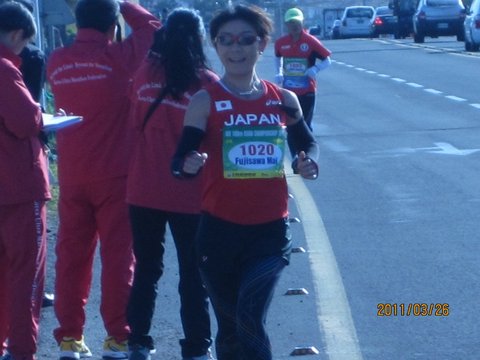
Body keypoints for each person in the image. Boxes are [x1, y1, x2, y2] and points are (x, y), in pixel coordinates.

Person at [171, 4, 319, 360]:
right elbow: (179, 160)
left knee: (249, 315)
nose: (236, 49)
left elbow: (306, 142)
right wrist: (189, 164)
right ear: (215, 47)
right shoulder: (205, 101)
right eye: (226, 41)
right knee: (230, 327)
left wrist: (308, 161)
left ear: (262, 44)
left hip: (269, 231)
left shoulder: (283, 99)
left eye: (245, 40)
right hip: (218, 231)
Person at [46, 0, 160, 359]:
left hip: (73, 175)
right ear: (114, 26)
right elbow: (153, 29)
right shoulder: (120, 57)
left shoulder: (57, 62)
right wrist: (125, 2)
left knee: (71, 259)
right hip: (116, 176)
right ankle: (117, 337)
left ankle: (69, 339)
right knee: (118, 259)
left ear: (75, 21)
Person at [125, 8, 218, 360]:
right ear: (200, 39)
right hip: (190, 192)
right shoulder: (206, 83)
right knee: (194, 274)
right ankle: (196, 347)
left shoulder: (144, 74)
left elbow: (135, 121)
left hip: (143, 188)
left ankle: (137, 343)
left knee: (146, 269)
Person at [0, 2, 51, 360]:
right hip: (18, 184)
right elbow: (24, 121)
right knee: (26, 276)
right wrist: (40, 116)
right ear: (17, 34)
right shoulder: (5, 69)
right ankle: (21, 351)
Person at [274, 7, 331, 155]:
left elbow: (327, 60)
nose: (294, 26)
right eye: (291, 22)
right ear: (286, 24)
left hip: (307, 91)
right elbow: (277, 57)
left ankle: (307, 156)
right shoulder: (281, 43)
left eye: (297, 22)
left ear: (302, 22)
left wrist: (315, 69)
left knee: (305, 125)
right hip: (288, 91)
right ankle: (296, 157)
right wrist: (278, 72)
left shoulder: (310, 41)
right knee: (291, 125)